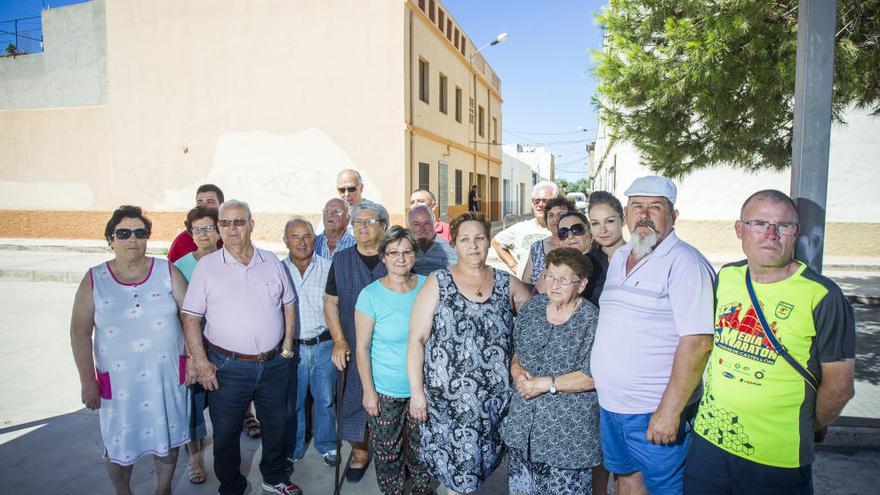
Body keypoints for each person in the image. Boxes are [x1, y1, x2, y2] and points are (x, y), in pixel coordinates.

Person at [684, 190, 856, 495]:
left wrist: (807, 424)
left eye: (783, 226)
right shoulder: (728, 277)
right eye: (759, 223)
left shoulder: (823, 295)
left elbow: (840, 387)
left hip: (778, 457)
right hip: (709, 443)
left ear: (796, 232)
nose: (771, 234)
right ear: (740, 230)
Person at [590, 176, 715, 495]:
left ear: (673, 216)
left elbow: (699, 342)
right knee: (627, 479)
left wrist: (669, 412)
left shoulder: (685, 262)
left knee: (665, 488)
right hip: (612, 406)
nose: (644, 214)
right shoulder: (620, 257)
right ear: (627, 214)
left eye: (655, 207)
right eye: (636, 206)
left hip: (653, 409)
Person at [181, 199, 302, 495]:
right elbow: (190, 317)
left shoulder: (271, 261)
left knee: (276, 426)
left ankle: (273, 478)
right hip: (227, 367)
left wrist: (286, 347)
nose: (232, 228)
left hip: (274, 364)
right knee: (225, 435)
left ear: (251, 225)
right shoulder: (207, 268)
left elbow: (288, 304)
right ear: (220, 228)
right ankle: (232, 487)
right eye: (225, 223)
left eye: (238, 222)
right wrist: (201, 361)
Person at [407, 212, 531, 495]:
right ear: (454, 244)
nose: (473, 245)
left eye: (479, 238)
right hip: (447, 403)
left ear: (488, 242)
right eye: (465, 239)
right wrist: (417, 391)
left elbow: (536, 320)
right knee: (458, 476)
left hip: (493, 403)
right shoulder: (439, 281)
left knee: (480, 467)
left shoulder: (506, 283)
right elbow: (417, 339)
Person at [70, 205, 190, 495]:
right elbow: (80, 331)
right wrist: (88, 381)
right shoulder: (94, 279)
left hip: (166, 377)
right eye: (123, 233)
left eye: (139, 232)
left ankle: (163, 490)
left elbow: (190, 316)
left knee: (168, 438)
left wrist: (196, 359)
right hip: (120, 383)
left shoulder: (166, 270)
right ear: (110, 239)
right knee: (118, 443)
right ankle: (123, 492)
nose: (132, 239)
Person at [502, 248, 601, 495]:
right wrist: (516, 373)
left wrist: (546, 384)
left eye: (564, 279)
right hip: (524, 428)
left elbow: (593, 376)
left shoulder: (592, 320)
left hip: (567, 437)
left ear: (582, 284)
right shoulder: (533, 307)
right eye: (550, 276)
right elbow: (516, 350)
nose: (554, 285)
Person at [355, 226, 431, 495]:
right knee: (388, 453)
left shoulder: (428, 286)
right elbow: (362, 349)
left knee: (422, 450)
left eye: (407, 251)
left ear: (415, 255)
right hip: (385, 391)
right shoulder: (370, 296)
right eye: (393, 252)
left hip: (422, 389)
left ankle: (422, 490)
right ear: (383, 257)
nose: (401, 258)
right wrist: (369, 392)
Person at [324, 201, 390, 482]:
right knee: (351, 405)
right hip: (352, 344)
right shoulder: (341, 260)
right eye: (357, 222)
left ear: (383, 226)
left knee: (392, 405)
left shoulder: (395, 257)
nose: (361, 227)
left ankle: (395, 456)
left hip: (389, 349)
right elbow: (330, 302)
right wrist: (339, 340)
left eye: (368, 221)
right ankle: (361, 452)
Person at [281, 218, 338, 467]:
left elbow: (338, 305)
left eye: (307, 236)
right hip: (291, 348)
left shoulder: (329, 267)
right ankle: (294, 447)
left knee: (325, 399)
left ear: (314, 238)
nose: (302, 242)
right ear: (286, 241)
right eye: (295, 237)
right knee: (294, 402)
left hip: (324, 344)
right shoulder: (278, 270)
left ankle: (326, 445)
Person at [173, 205, 220, 485]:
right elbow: (177, 313)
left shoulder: (230, 260)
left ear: (218, 230)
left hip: (224, 340)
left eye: (208, 228)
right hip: (193, 341)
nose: (203, 234)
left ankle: (226, 455)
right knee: (191, 405)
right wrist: (189, 352)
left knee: (223, 401)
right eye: (197, 229)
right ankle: (195, 457)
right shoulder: (181, 266)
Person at [491, 181, 558, 279]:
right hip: (526, 289)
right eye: (536, 201)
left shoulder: (563, 228)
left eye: (545, 201)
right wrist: (514, 266)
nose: (540, 205)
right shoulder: (521, 228)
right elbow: (496, 242)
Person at [521, 196, 576, 285]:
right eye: (551, 215)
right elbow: (526, 280)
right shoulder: (537, 247)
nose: (555, 220)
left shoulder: (575, 245)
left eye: (561, 215)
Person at [585, 191, 626, 305]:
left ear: (623, 220)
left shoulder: (643, 258)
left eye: (609, 221)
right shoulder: (586, 263)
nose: (603, 230)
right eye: (595, 223)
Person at [168, 184, 224, 263]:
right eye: (200, 202)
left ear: (222, 206)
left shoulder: (230, 237)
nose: (204, 206)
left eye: (210, 202)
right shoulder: (182, 241)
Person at [409, 204, 458, 276]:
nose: (422, 229)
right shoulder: (404, 251)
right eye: (416, 224)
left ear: (434, 223)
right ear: (409, 226)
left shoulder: (451, 250)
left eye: (427, 223)